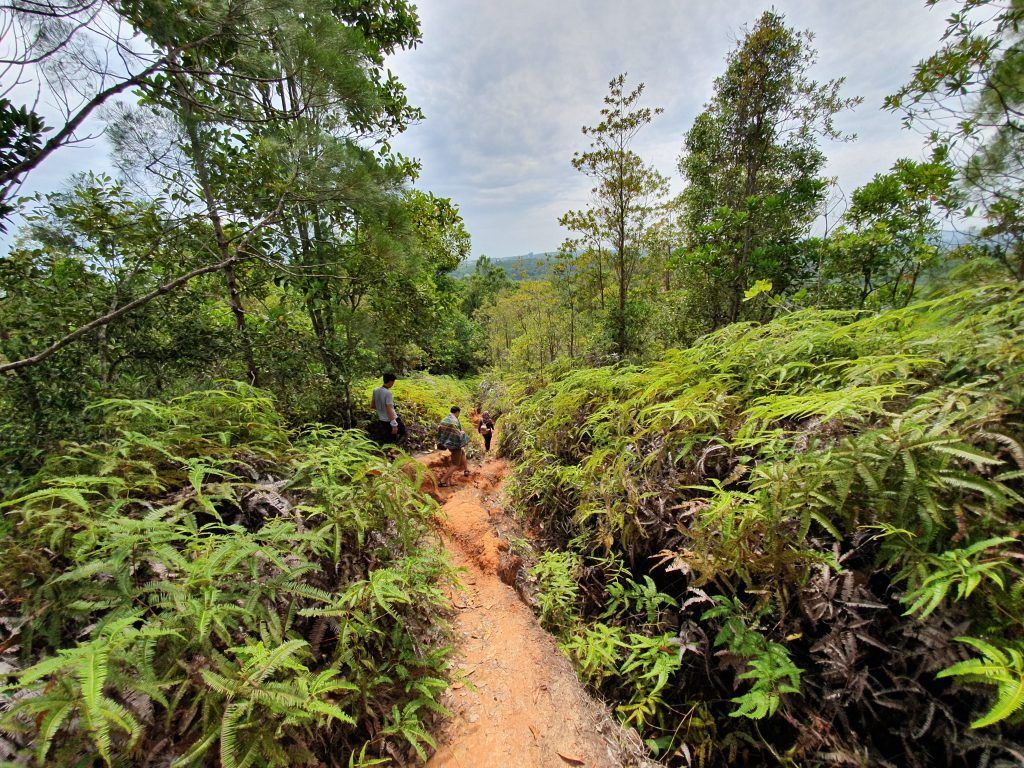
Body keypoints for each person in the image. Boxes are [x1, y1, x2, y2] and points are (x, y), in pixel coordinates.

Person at [436, 405, 470, 485]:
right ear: (457, 412)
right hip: (454, 444)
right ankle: (442, 481)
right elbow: (457, 434)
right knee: (455, 464)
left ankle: (466, 470)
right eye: (459, 413)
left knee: (462, 452)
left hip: (446, 442)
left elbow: (440, 430)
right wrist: (463, 434)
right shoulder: (454, 421)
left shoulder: (445, 419)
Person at [370, 373, 406, 444]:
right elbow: (389, 409)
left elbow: (372, 406)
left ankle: (390, 453)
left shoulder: (375, 390)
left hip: (382, 420)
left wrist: (381, 409)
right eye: (393, 382)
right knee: (403, 433)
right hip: (391, 419)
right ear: (390, 382)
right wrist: (394, 424)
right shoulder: (388, 393)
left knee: (390, 439)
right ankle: (393, 451)